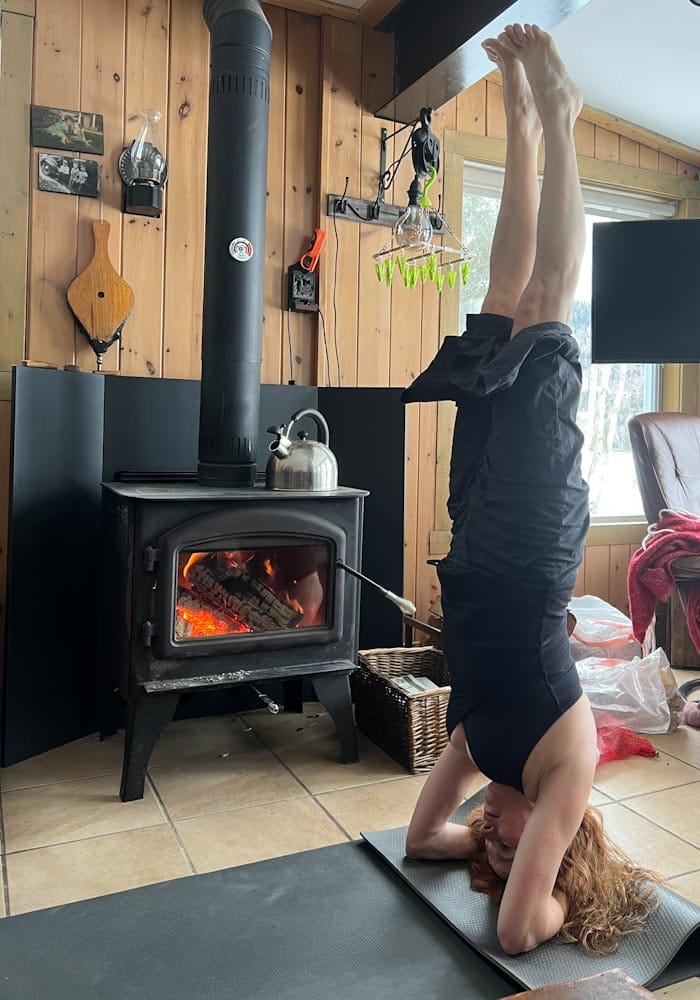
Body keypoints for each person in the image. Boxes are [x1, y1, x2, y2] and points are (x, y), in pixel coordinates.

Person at [401, 24, 660, 955]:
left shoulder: (478, 747)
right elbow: (516, 935)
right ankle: (563, 116)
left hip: (475, 529)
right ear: (562, 837)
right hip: (537, 537)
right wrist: (542, 890)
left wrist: (475, 842)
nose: (497, 837)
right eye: (520, 848)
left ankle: (518, 114)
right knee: (548, 305)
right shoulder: (565, 772)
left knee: (499, 300)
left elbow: (420, 840)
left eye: (492, 846)